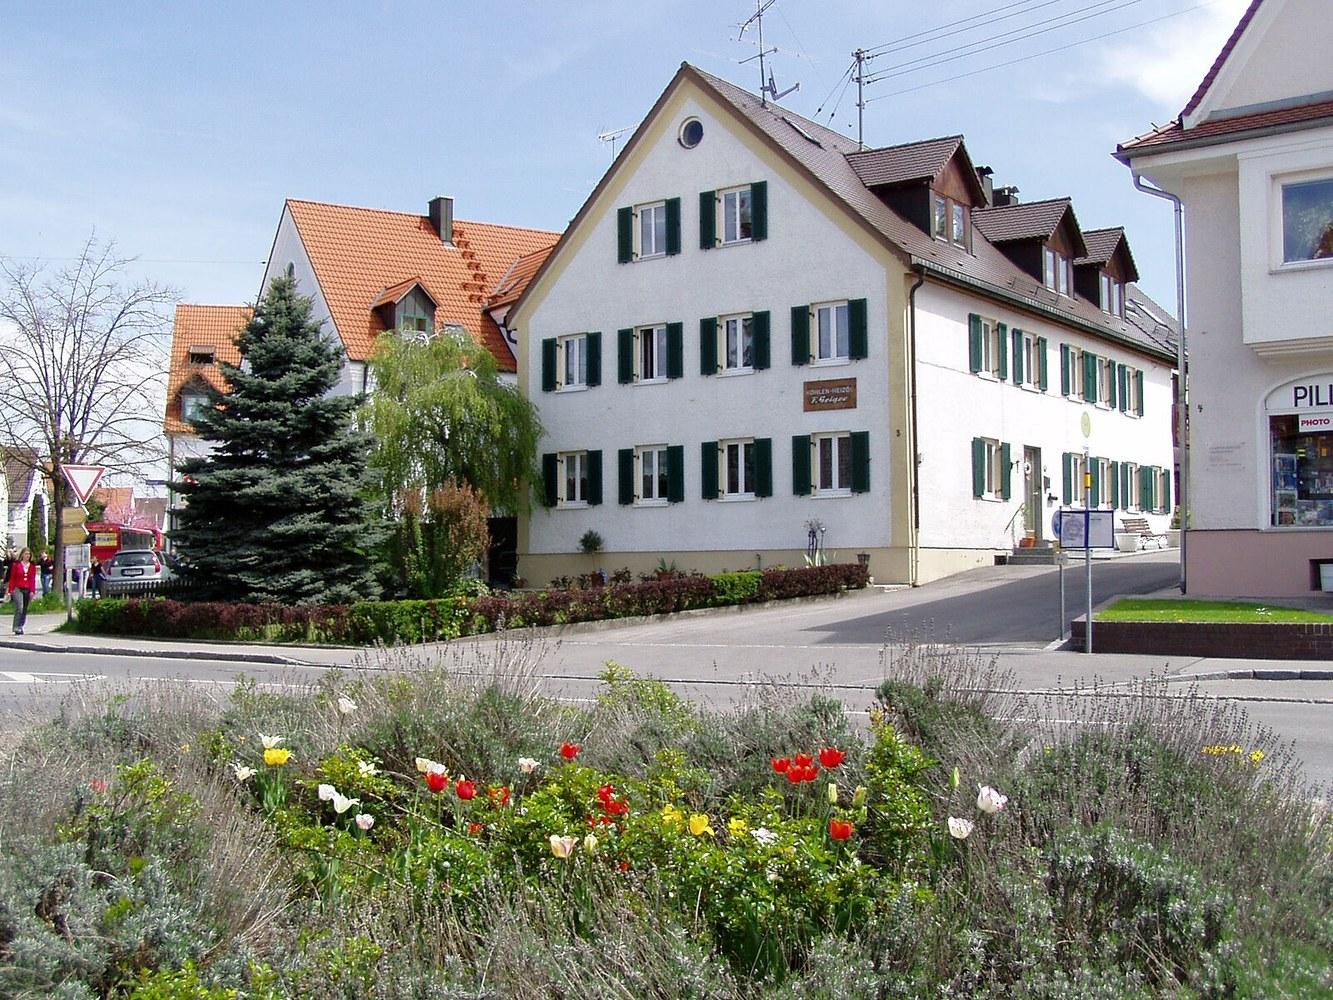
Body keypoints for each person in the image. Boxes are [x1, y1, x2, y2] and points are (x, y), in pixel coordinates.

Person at [7, 547, 37, 635]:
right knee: (19, 607)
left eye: (29, 554)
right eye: (26, 554)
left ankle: (20, 626)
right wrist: (10, 590)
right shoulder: (16, 565)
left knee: (24, 609)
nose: (27, 556)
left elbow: (32, 579)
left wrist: (32, 591)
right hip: (17, 588)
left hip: (27, 589)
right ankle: (16, 626)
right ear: (22, 555)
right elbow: (12, 578)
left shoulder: (32, 567)